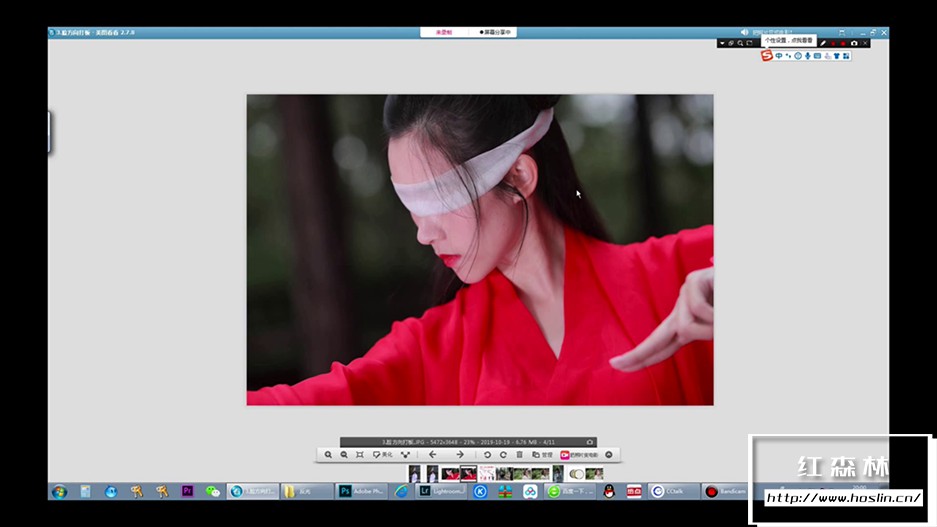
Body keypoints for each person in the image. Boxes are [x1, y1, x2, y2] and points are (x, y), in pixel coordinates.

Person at [248, 95, 713, 405]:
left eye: (439, 199)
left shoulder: (681, 276)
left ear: (518, 177)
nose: (423, 233)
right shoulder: (436, 350)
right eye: (412, 206)